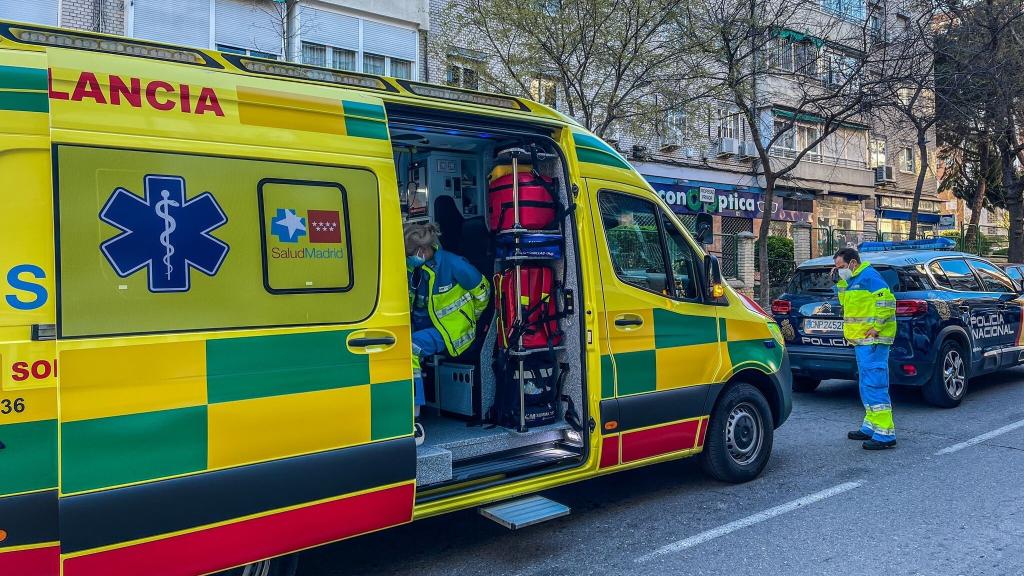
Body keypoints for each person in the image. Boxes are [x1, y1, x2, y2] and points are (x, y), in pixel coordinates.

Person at [405, 222, 490, 446]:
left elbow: (483, 292)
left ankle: (413, 418)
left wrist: (470, 319)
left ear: (422, 252)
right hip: (427, 327)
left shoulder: (453, 264)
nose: (408, 259)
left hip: (453, 331)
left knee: (409, 348)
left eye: (410, 254)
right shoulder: (416, 268)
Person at [834, 247, 898, 450]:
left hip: (874, 341)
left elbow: (887, 303)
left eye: (841, 267)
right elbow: (845, 303)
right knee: (866, 384)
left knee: (875, 385)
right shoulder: (852, 280)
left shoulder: (870, 277)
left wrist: (876, 328)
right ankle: (871, 426)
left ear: (853, 263)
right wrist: (840, 281)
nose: (839, 270)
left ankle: (885, 434)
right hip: (862, 342)